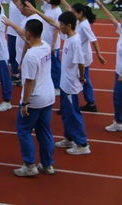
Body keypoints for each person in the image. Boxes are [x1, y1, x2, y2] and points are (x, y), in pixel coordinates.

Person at [34, 10, 92, 155]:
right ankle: (69, 138)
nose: (59, 26)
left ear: (69, 25)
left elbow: (81, 63)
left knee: (73, 113)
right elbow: (52, 22)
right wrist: (36, 11)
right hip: (65, 83)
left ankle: (82, 144)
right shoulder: (69, 37)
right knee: (66, 113)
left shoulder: (75, 42)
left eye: (61, 24)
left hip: (71, 85)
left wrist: (82, 77)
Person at [12, 19, 56, 177]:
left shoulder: (30, 56)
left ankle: (29, 165)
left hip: (35, 98)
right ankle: (47, 164)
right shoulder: (45, 46)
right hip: (48, 95)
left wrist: (25, 102)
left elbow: (29, 81)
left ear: (29, 33)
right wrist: (13, 24)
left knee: (24, 131)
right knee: (44, 131)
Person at [94, 0, 122, 132]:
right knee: (118, 98)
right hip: (119, 71)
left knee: (117, 98)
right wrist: (100, 4)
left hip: (121, 74)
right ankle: (118, 121)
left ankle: (118, 121)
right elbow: (112, 19)